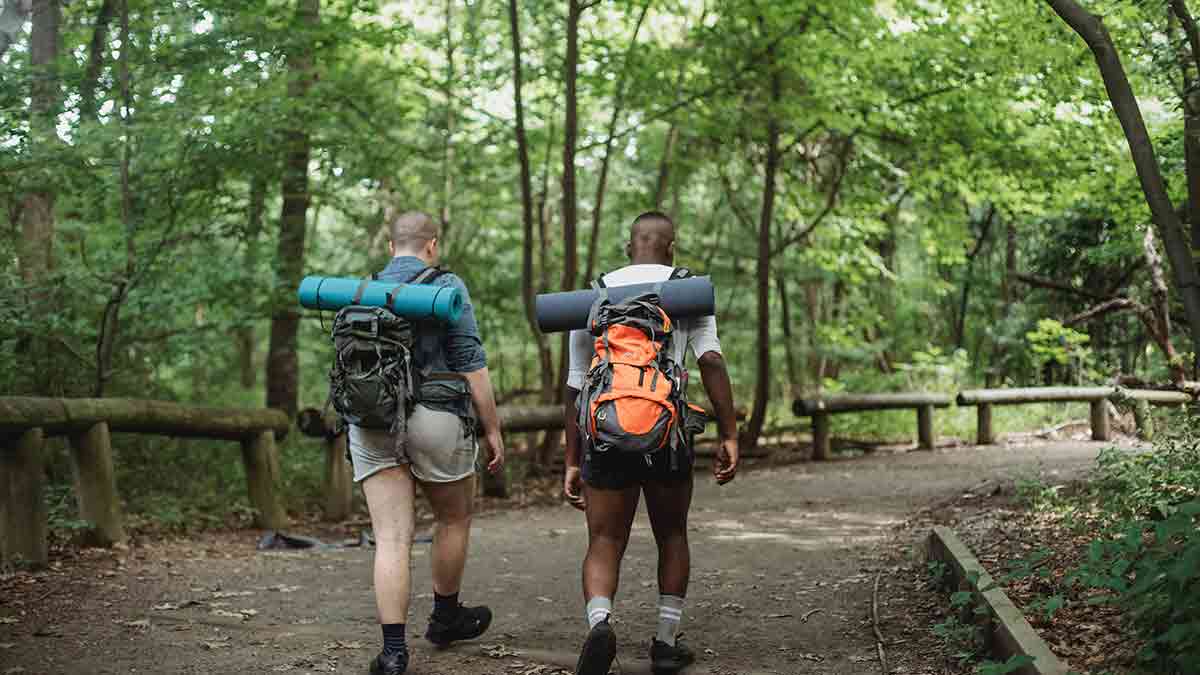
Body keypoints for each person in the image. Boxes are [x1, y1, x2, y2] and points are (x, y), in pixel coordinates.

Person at [563, 211, 740, 675]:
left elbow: (576, 384)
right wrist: (730, 433)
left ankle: (600, 623)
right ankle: (664, 641)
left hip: (604, 434)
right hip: (668, 435)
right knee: (672, 533)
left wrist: (571, 460)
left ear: (629, 246)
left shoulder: (594, 294)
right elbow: (712, 361)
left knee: (604, 538)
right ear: (671, 247)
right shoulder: (687, 291)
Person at [348, 211, 506, 675]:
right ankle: (444, 616)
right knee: (453, 517)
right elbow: (470, 361)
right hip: (435, 417)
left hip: (372, 419)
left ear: (390, 245)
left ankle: (394, 653)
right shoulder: (447, 285)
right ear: (432, 245)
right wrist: (492, 427)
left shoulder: (364, 289)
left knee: (391, 538)